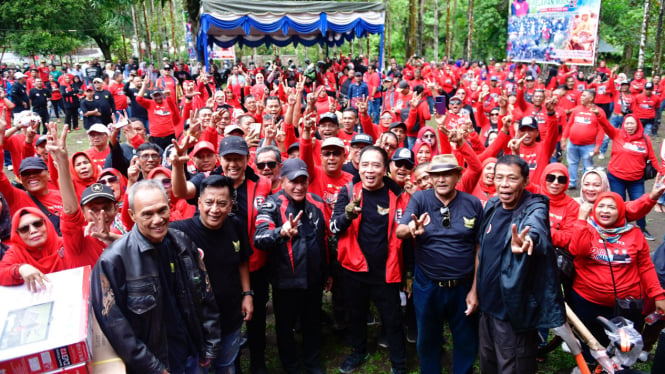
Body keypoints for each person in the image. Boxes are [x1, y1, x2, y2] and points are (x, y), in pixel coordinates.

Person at [90, 179, 221, 374]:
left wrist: (211, 343)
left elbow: (205, 293)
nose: (157, 219)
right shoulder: (112, 262)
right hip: (157, 363)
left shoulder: (182, 242)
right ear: (132, 215)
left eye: (162, 210)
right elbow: (117, 328)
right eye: (148, 214)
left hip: (192, 351)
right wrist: (153, 368)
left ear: (170, 206)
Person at [475, 155, 565, 373]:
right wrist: (474, 292)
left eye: (512, 178)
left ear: (525, 182)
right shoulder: (493, 206)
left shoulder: (534, 207)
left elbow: (536, 228)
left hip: (513, 311)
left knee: (513, 365)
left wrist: (528, 240)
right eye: (499, 178)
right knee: (488, 361)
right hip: (487, 307)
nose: (504, 184)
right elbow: (481, 249)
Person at [396, 154, 483, 374]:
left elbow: (479, 248)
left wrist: (474, 290)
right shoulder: (420, 199)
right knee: (427, 338)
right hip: (428, 284)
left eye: (447, 174)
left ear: (457, 176)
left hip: (462, 285)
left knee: (465, 338)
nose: (441, 179)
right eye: (436, 175)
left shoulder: (472, 203)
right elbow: (400, 230)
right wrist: (411, 230)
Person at [331, 146, 408, 374]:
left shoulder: (398, 195)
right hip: (354, 268)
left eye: (376, 165)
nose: (369, 170)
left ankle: (399, 363)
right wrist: (347, 215)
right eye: (365, 164)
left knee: (392, 318)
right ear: (358, 166)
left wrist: (408, 272)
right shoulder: (348, 190)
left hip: (386, 270)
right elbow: (333, 227)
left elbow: (405, 235)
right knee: (356, 314)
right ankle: (358, 351)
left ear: (385, 169)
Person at [569, 192, 665, 364]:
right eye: (601, 206)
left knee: (622, 344)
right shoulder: (586, 228)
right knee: (591, 339)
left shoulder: (635, 235)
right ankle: (591, 365)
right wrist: (582, 221)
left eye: (611, 207)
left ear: (621, 211)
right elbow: (578, 251)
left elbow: (646, 267)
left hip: (626, 304)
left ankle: (617, 365)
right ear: (593, 209)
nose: (605, 211)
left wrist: (658, 295)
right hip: (587, 300)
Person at [254, 158, 331, 374]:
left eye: (303, 181)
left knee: (312, 323)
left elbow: (324, 239)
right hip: (286, 281)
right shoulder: (271, 204)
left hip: (313, 279)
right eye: (293, 181)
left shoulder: (316, 202)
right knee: (285, 328)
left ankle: (313, 363)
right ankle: (291, 366)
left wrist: (326, 272)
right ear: (283, 180)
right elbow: (259, 237)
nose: (298, 186)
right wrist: (280, 232)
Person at [171, 175, 252, 374]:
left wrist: (248, 294)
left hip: (231, 314)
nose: (215, 209)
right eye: (209, 202)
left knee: (226, 364)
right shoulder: (179, 232)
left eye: (222, 203)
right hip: (197, 324)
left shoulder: (235, 225)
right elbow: (146, 237)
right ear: (199, 202)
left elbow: (242, 261)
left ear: (231, 204)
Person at [597, 113, 660, 240]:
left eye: (632, 123)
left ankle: (642, 229)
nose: (629, 126)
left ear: (637, 124)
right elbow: (605, 125)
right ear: (623, 124)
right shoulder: (616, 134)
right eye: (627, 123)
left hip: (636, 180)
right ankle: (617, 228)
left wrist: (661, 172)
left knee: (641, 205)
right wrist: (599, 115)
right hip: (616, 178)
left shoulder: (645, 139)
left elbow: (653, 158)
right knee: (618, 205)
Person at [0, 207, 65, 290]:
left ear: (46, 224)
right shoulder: (16, 252)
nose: (33, 230)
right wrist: (20, 269)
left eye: (37, 224)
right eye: (24, 229)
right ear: (17, 234)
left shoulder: (65, 244)